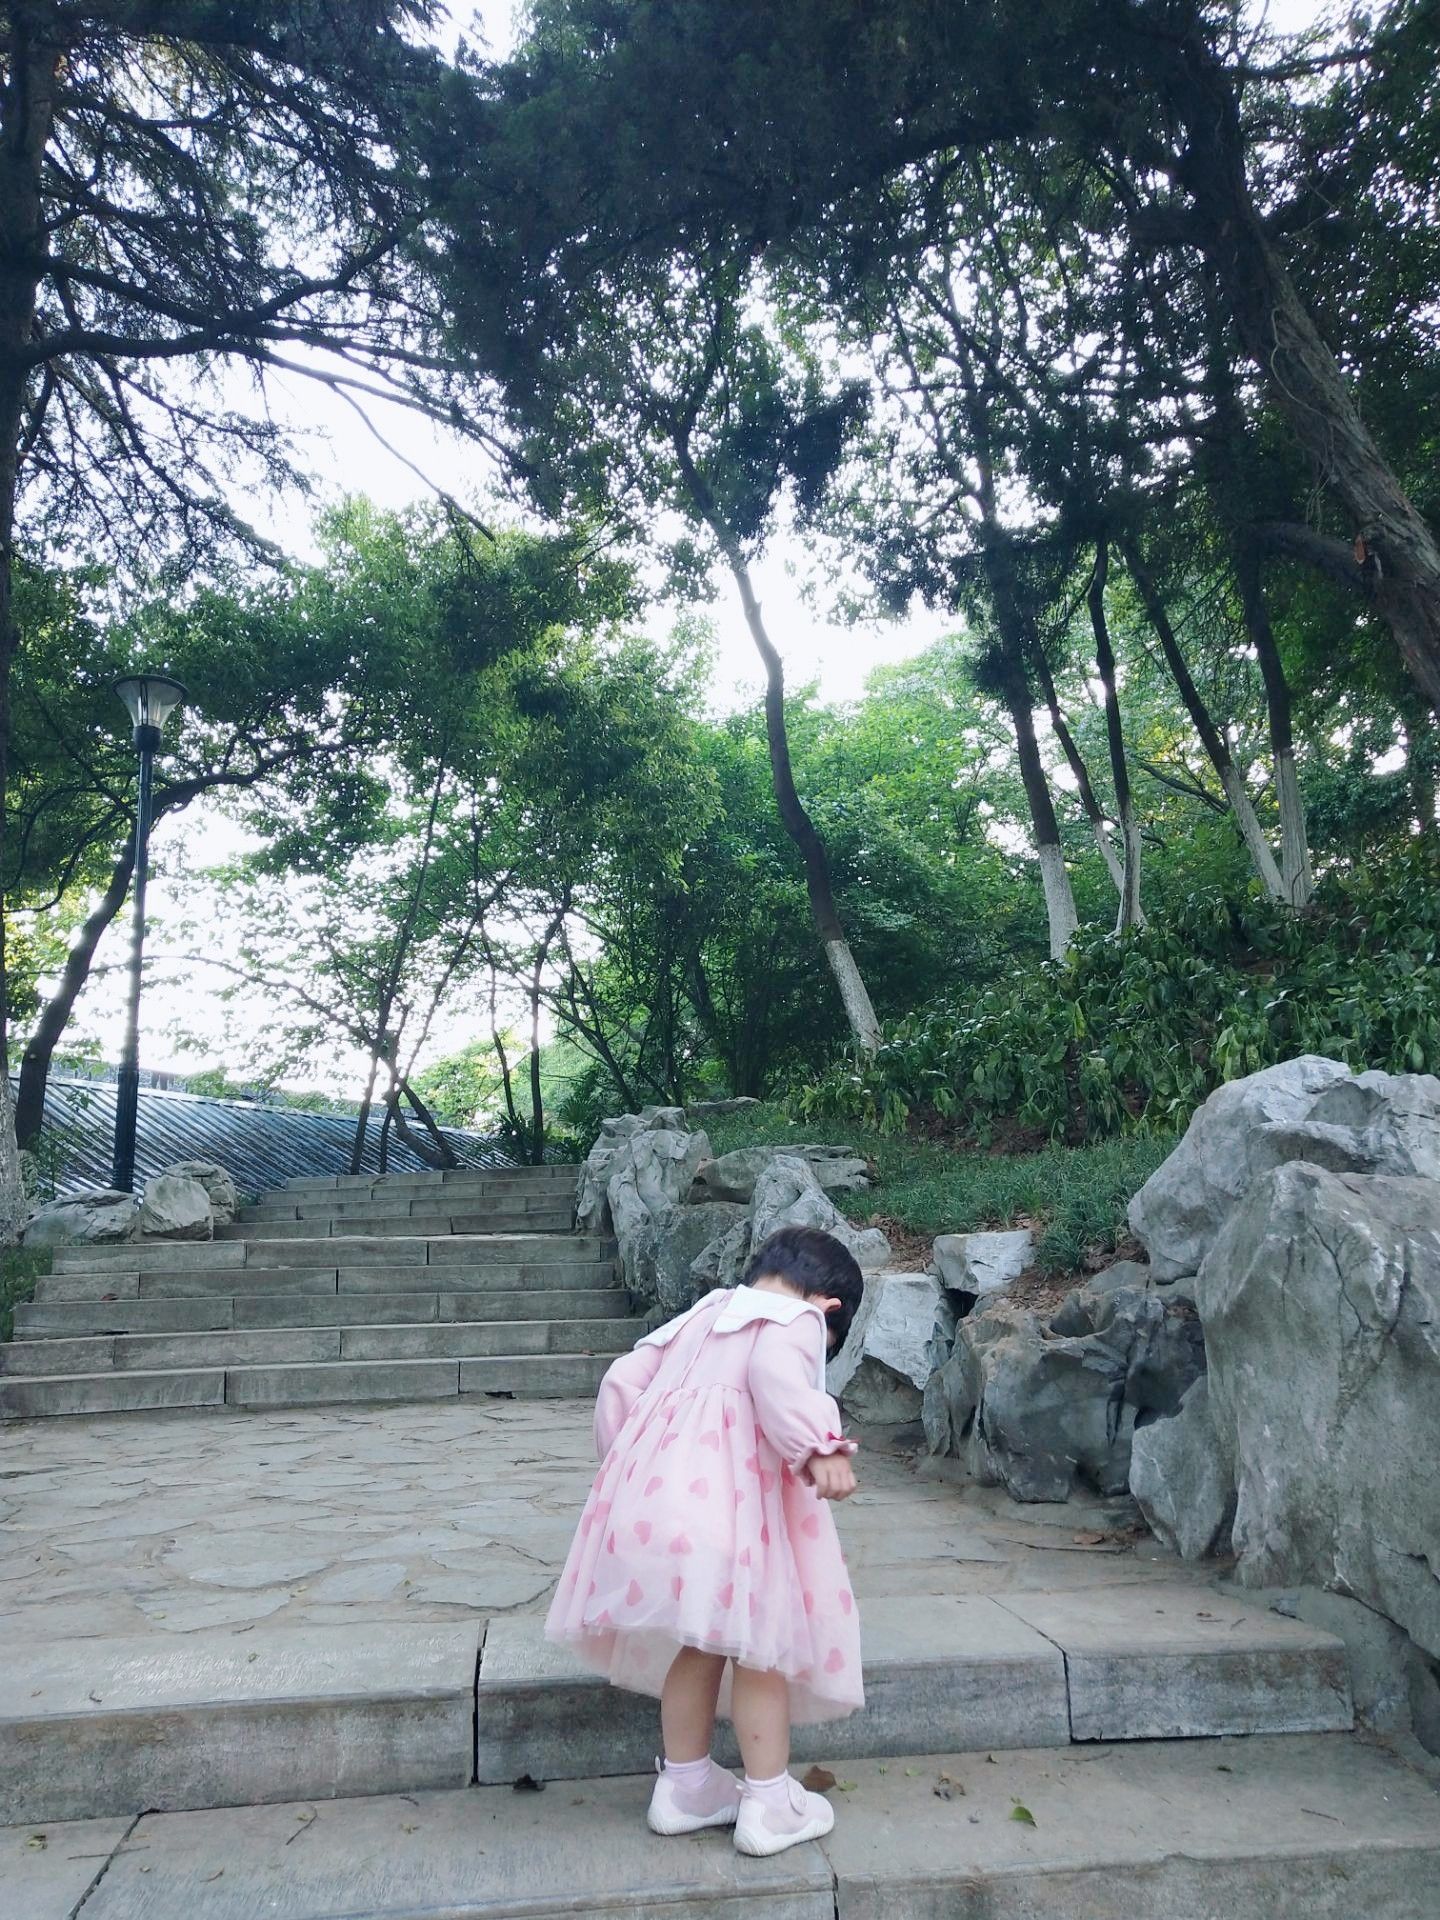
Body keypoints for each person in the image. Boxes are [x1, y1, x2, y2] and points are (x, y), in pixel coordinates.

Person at [545, 1224, 865, 1857]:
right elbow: (776, 1376)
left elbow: (620, 1380)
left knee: (702, 1643)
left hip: (658, 1504)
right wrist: (819, 1444)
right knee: (760, 1651)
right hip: (732, 1514)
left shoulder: (703, 1312)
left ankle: (686, 1787)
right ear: (827, 1307)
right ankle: (769, 1803)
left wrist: (626, 1469)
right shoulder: (797, 1319)